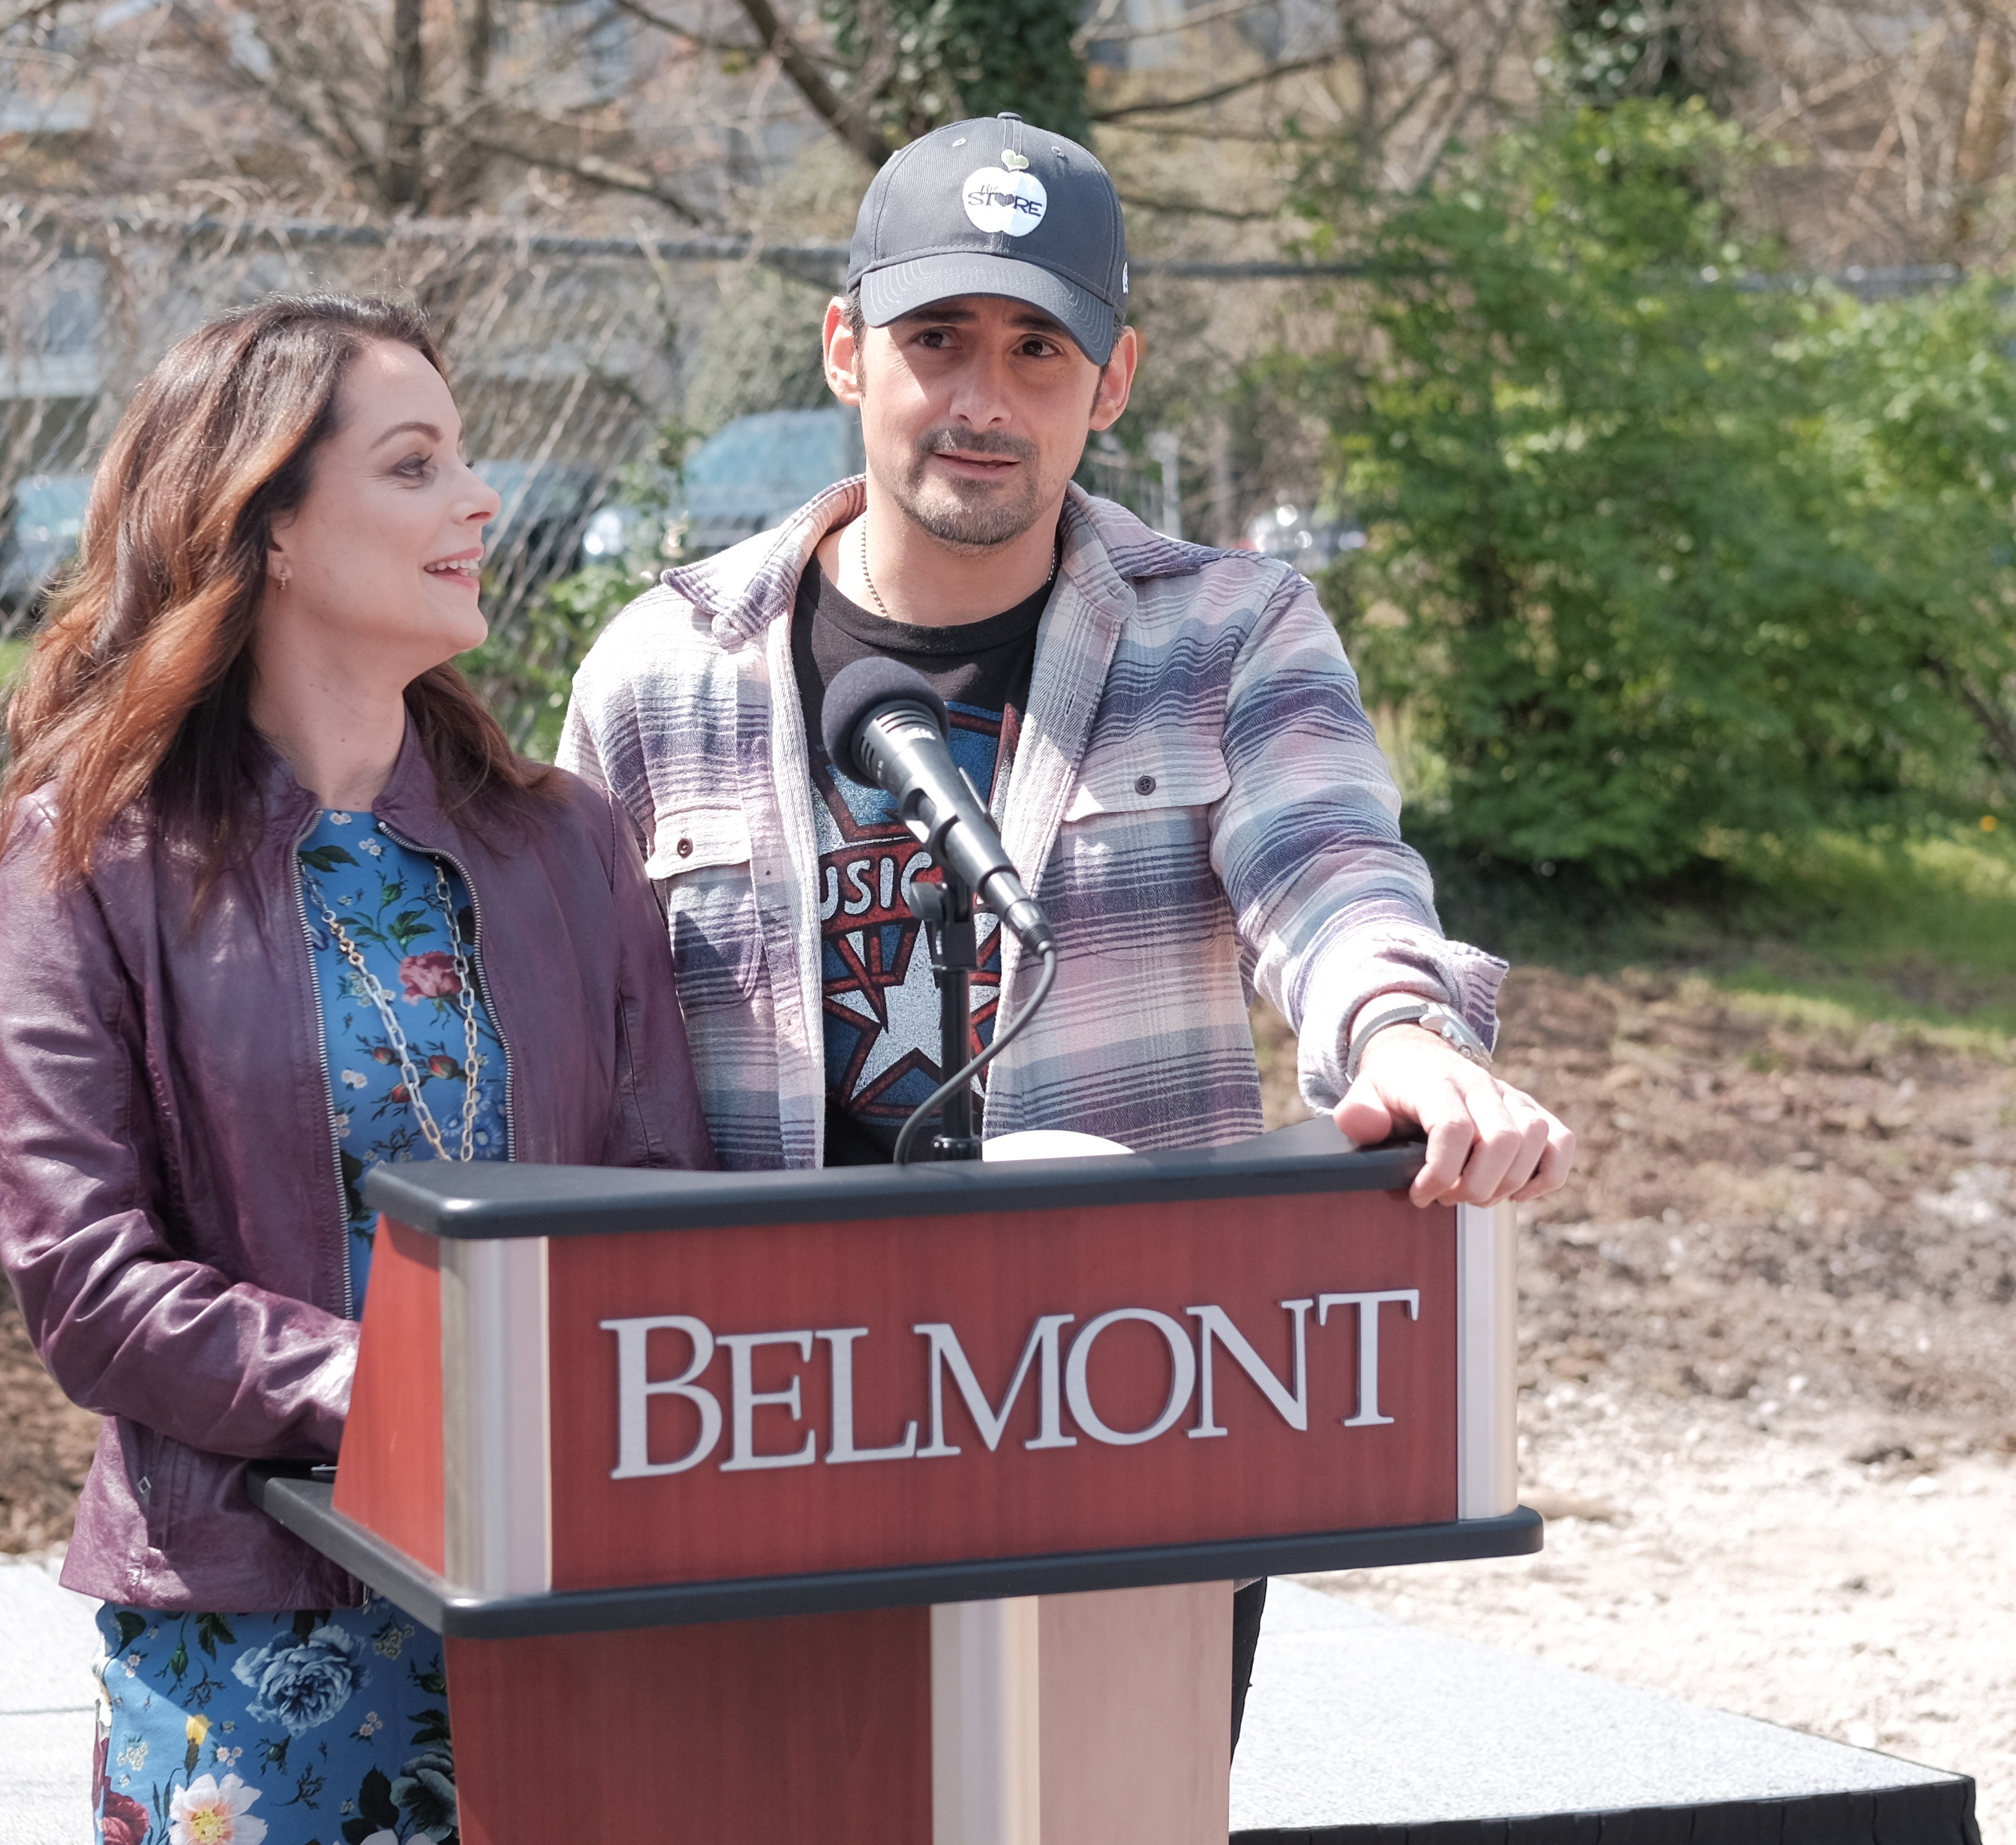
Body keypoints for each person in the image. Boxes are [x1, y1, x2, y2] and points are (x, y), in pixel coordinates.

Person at [557, 113, 1576, 1745]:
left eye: (1038, 351)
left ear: (1111, 383)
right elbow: (568, 1044)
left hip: (1119, 1398)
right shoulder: (659, 668)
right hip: (753, 1415)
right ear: (843, 349)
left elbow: (1327, 874)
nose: (981, 398)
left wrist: (1400, 1034)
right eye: (936, 340)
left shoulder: (1230, 634)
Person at [0, 293, 715, 1845]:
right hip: (255, 1626)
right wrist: (403, 1394)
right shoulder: (87, 859)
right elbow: (87, 1284)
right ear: (271, 526)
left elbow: (661, 1209)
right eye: (415, 463)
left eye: (463, 457)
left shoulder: (568, 844)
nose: (479, 498)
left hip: (558, 1589)